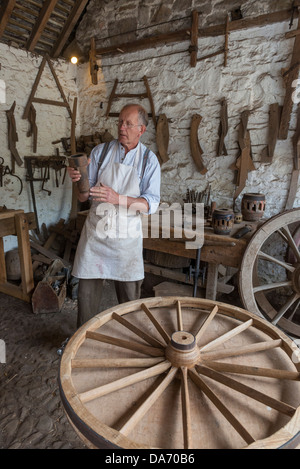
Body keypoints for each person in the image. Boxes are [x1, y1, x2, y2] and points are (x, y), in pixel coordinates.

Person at [67, 103, 161, 327]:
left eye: (129, 124)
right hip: (96, 237)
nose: (122, 128)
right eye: (120, 122)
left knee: (129, 302)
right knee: (86, 299)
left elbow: (151, 205)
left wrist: (117, 198)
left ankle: (130, 342)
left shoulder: (149, 161)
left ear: (141, 129)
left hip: (126, 240)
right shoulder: (101, 152)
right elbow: (83, 198)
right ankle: (84, 342)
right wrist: (77, 179)